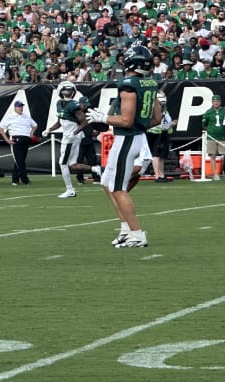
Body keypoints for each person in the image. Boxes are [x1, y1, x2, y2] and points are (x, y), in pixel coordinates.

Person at [87, 45, 162, 248]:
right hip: (136, 137)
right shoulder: (150, 83)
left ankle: (137, 234)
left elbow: (126, 120)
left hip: (127, 138)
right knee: (106, 182)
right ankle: (126, 229)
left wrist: (104, 117)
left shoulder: (128, 84)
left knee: (119, 188)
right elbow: (156, 119)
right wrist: (139, 124)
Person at [46, 83, 102, 198]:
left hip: (71, 137)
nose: (67, 92)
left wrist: (74, 133)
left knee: (63, 163)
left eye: (69, 90)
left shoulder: (73, 105)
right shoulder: (59, 104)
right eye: (66, 90)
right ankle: (95, 168)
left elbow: (84, 121)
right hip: (69, 136)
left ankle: (70, 190)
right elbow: (60, 121)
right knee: (72, 164)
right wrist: (49, 129)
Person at [0, 101, 38, 186]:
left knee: (20, 160)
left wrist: (31, 133)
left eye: (21, 106)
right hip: (16, 139)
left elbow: (34, 125)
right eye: (19, 106)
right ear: (15, 107)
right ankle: (25, 179)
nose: (21, 108)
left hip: (26, 139)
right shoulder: (10, 117)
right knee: (20, 161)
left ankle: (15, 179)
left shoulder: (26, 116)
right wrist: (7, 139)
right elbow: (1, 128)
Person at [146, 90, 176, 183]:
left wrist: (171, 124)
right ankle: (157, 176)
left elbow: (166, 122)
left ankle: (162, 175)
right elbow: (159, 122)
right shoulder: (154, 109)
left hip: (163, 132)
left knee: (162, 155)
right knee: (156, 154)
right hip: (156, 133)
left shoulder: (164, 109)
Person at [74, 97, 102, 185]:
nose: (86, 107)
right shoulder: (76, 113)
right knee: (79, 160)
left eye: (86, 105)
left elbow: (96, 124)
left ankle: (96, 178)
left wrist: (97, 131)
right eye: (84, 105)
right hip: (79, 141)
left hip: (89, 140)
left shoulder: (89, 113)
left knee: (92, 159)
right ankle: (80, 178)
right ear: (80, 104)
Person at [201, 95, 225, 180]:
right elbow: (204, 125)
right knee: (212, 155)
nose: (216, 103)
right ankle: (215, 173)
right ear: (212, 102)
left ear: (220, 102)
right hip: (211, 136)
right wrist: (211, 130)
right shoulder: (208, 112)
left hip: (222, 136)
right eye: (214, 101)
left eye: (217, 101)